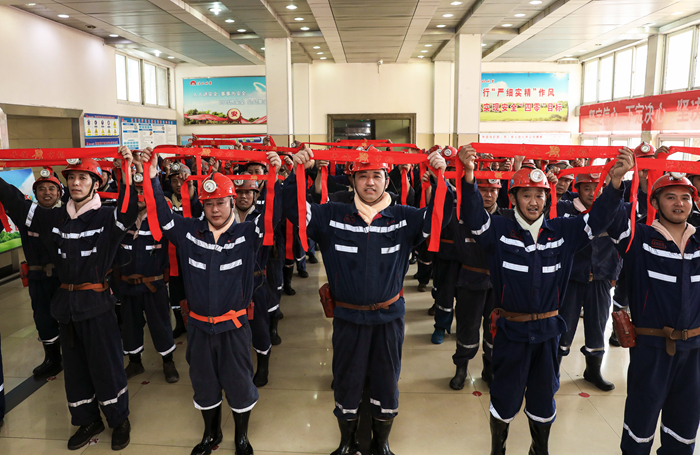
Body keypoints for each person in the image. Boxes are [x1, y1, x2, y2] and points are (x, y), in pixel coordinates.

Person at [457, 144, 634, 455]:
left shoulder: (563, 232)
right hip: (511, 332)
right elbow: (473, 217)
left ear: (547, 198)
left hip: (548, 334)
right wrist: (469, 176)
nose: (533, 201)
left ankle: (539, 449)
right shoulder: (498, 230)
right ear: (513, 198)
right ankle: (498, 449)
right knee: (505, 394)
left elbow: (598, 219)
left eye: (539, 195)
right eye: (526, 195)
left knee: (543, 395)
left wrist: (616, 182)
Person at [284, 146, 453, 455]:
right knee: (346, 380)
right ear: (352, 180)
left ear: (387, 180)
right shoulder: (332, 215)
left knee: (386, 380)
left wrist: (442, 177)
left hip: (389, 319)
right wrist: (296, 173)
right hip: (348, 319)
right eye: (363, 176)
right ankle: (346, 442)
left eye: (377, 175)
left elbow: (441, 216)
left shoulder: (404, 218)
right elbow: (294, 210)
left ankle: (381, 442)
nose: (370, 182)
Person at [0, 147, 139, 450]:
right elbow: (18, 205)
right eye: (72, 177)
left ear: (96, 184)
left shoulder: (107, 217)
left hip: (97, 306)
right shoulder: (54, 217)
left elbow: (129, 210)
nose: (76, 183)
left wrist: (128, 172)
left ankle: (118, 420)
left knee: (107, 366)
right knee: (75, 369)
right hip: (67, 307)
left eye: (83, 178)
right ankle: (87, 419)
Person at [143, 149, 281, 455]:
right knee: (203, 382)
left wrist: (274, 178)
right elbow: (162, 218)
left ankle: (241, 437)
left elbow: (273, 215)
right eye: (208, 203)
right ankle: (211, 433)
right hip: (199, 329)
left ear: (232, 202)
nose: (215, 209)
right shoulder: (189, 232)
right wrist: (151, 178)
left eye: (220, 202)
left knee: (239, 382)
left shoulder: (247, 234)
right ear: (202, 205)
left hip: (234, 329)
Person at [607, 172, 700, 455]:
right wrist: (616, 183)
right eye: (670, 197)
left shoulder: (699, 241)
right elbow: (609, 218)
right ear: (655, 203)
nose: (679, 203)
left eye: (685, 197)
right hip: (651, 349)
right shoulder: (639, 238)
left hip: (694, 350)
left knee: (685, 426)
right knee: (641, 421)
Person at [556, 173, 622, 391]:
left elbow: (622, 244)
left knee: (598, 326)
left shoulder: (613, 210)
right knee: (564, 326)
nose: (593, 193)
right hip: (572, 279)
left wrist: (615, 273)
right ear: (578, 190)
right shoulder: (565, 209)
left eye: (597, 187)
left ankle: (593, 371)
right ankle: (552, 371)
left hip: (601, 280)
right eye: (587, 188)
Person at [448, 178, 511, 390]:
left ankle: (490, 368)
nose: (489, 194)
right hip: (470, 280)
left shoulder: (508, 217)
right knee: (467, 326)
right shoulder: (460, 215)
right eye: (483, 189)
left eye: (493, 190)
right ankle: (461, 368)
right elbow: (440, 206)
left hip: (498, 283)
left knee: (496, 328)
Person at [116, 169, 179, 383]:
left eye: (144, 190)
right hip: (127, 286)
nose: (140, 195)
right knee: (130, 325)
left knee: (160, 324)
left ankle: (168, 361)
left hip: (154, 286)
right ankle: (135, 362)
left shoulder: (160, 219)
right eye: (136, 191)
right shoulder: (121, 220)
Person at [5, 168, 64, 377]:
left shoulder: (69, 214)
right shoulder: (25, 214)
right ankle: (53, 359)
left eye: (51, 189)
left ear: (59, 193)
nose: (47, 192)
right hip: (38, 279)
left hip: (65, 278)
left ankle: (76, 356)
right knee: (43, 319)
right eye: (41, 189)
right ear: (35, 193)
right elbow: (8, 194)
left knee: (70, 317)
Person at [232, 175, 281, 386]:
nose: (243, 196)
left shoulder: (262, 217)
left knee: (260, 327)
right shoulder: (224, 216)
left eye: (248, 193)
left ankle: (263, 367)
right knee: (232, 329)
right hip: (230, 284)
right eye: (239, 192)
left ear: (255, 195)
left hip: (256, 283)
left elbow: (275, 210)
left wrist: (274, 178)